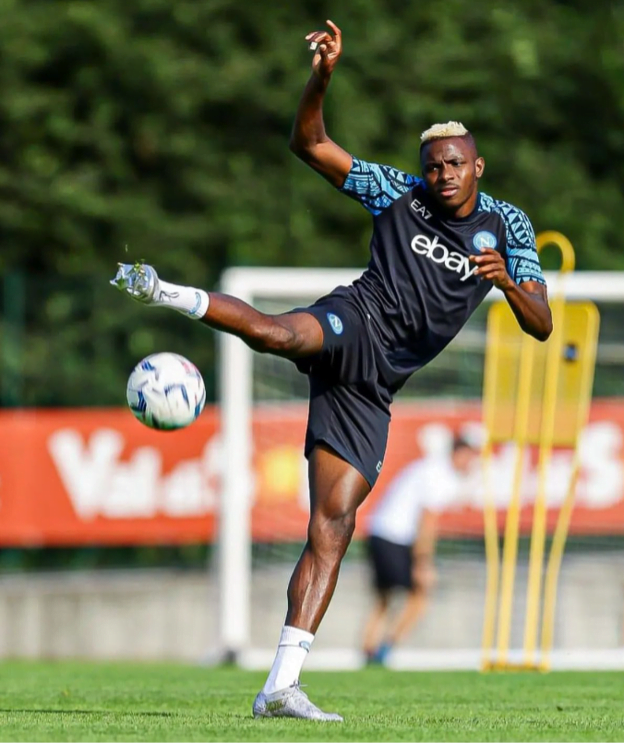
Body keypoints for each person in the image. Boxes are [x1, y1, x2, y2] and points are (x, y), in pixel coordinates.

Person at [110, 19, 552, 722]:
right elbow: (309, 144)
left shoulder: (511, 228)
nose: (441, 174)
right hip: (355, 322)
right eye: (433, 164)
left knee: (333, 528)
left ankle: (280, 686)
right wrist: (321, 80)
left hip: (377, 387)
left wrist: (508, 283)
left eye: (454, 164)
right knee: (280, 334)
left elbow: (543, 324)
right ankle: (165, 290)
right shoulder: (396, 194)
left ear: (478, 166)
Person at [362, 435, 478, 665]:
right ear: (458, 453)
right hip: (394, 536)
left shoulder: (429, 468)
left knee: (384, 598)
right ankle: (384, 649)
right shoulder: (439, 475)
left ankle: (370, 650)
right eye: (470, 457)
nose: (471, 464)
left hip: (379, 531)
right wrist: (423, 562)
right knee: (420, 595)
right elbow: (427, 522)